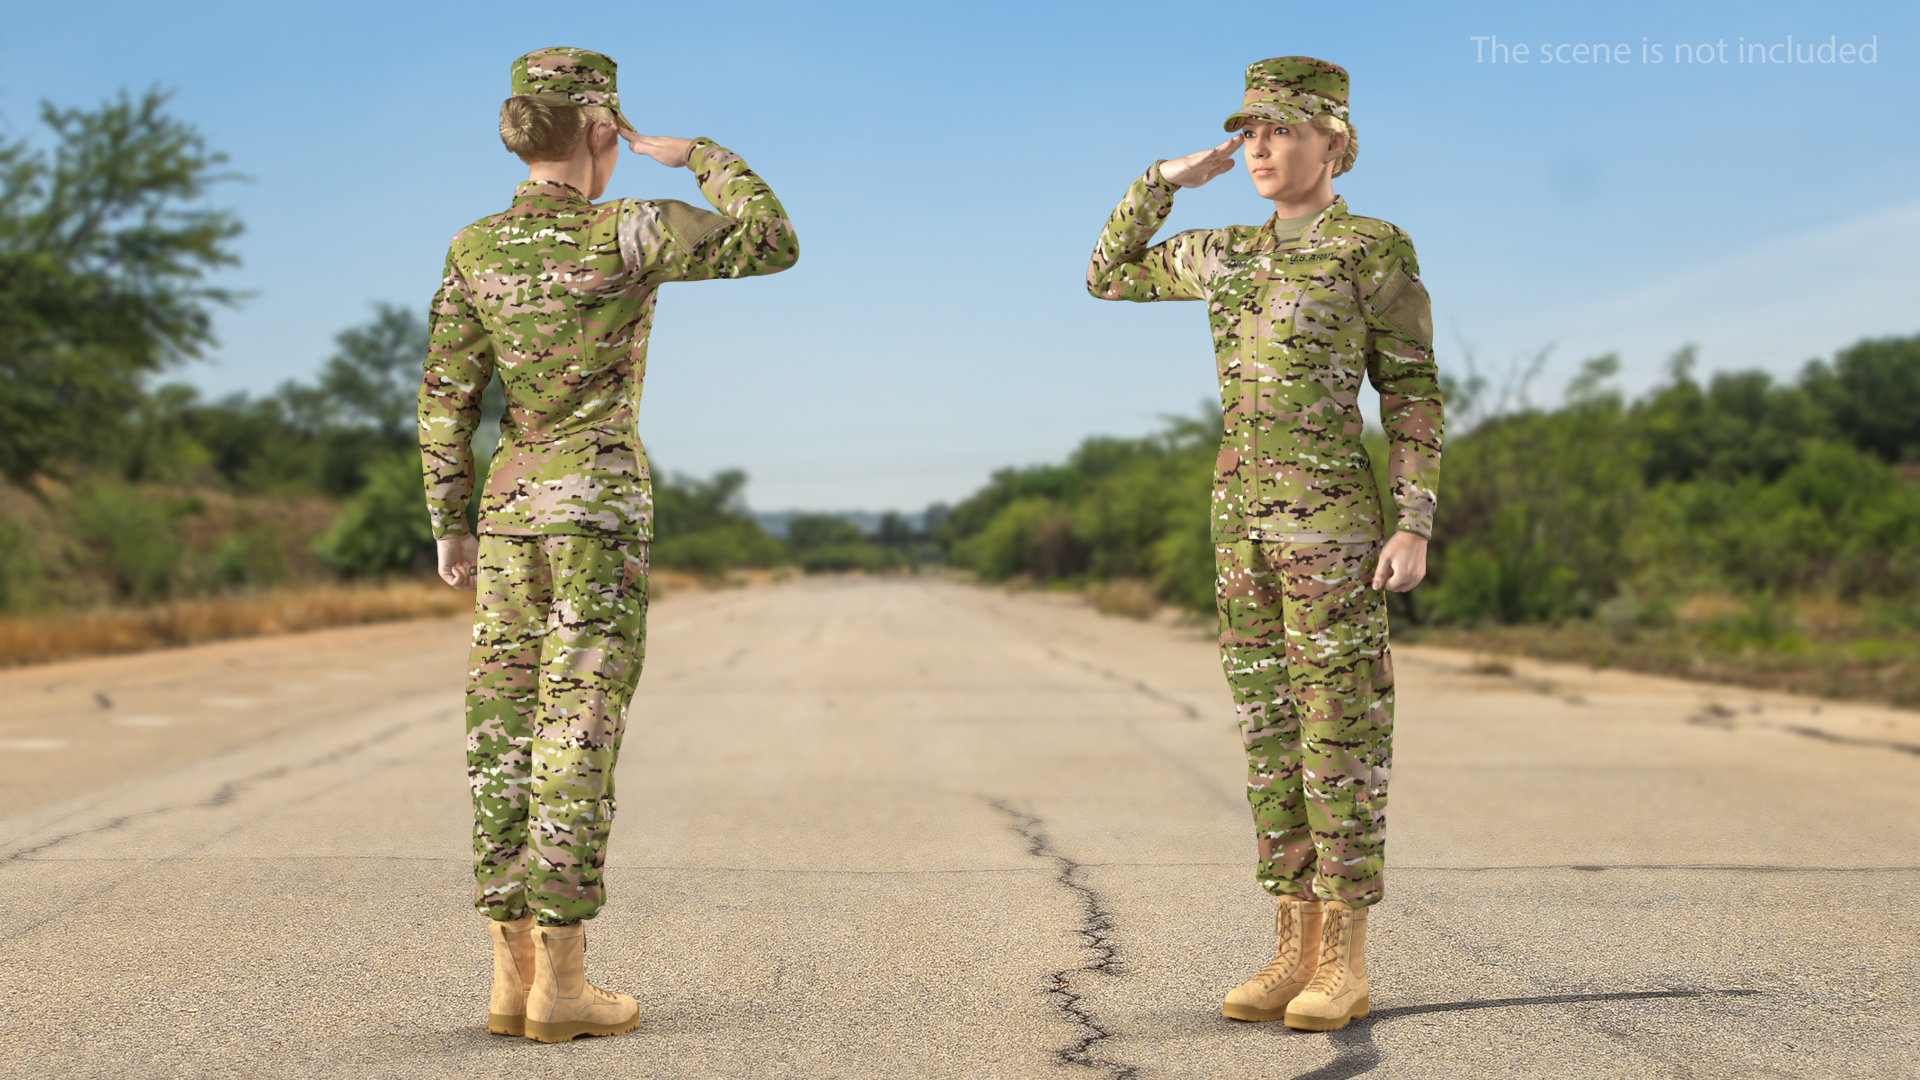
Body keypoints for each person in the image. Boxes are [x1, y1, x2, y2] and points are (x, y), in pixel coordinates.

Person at [419, 46, 798, 1043]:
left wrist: (450, 522)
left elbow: (445, 401)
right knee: (574, 732)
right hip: (595, 511)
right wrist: (698, 154)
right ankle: (562, 987)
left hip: (506, 520)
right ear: (600, 132)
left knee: (500, 731)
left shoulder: (472, 248)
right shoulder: (628, 230)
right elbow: (772, 239)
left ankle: (509, 979)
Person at [1086, 56, 1441, 1032]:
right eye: (1248, 133)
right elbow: (1105, 275)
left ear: (1336, 143)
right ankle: (1289, 951)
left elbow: (1411, 395)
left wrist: (1413, 521)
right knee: (1271, 743)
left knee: (1343, 740)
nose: (1260, 149)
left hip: (1331, 530)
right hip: (1238, 530)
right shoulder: (1226, 253)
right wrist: (1163, 180)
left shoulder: (1373, 248)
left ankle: (1346, 960)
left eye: (1281, 131)